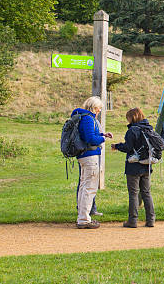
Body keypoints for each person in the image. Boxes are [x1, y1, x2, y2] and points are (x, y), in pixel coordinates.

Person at [111, 108, 155, 228]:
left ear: (132, 117)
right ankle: (151, 219)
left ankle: (133, 220)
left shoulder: (132, 130)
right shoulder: (149, 128)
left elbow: (128, 147)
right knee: (146, 193)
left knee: (133, 194)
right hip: (147, 165)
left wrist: (117, 146)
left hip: (133, 166)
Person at [72, 96, 112, 229]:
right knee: (89, 187)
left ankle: (82, 216)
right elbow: (90, 139)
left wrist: (102, 135)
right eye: (98, 108)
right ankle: (84, 219)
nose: (99, 111)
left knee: (84, 186)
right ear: (93, 108)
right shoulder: (88, 119)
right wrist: (102, 138)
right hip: (90, 156)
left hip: (84, 156)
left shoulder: (82, 117)